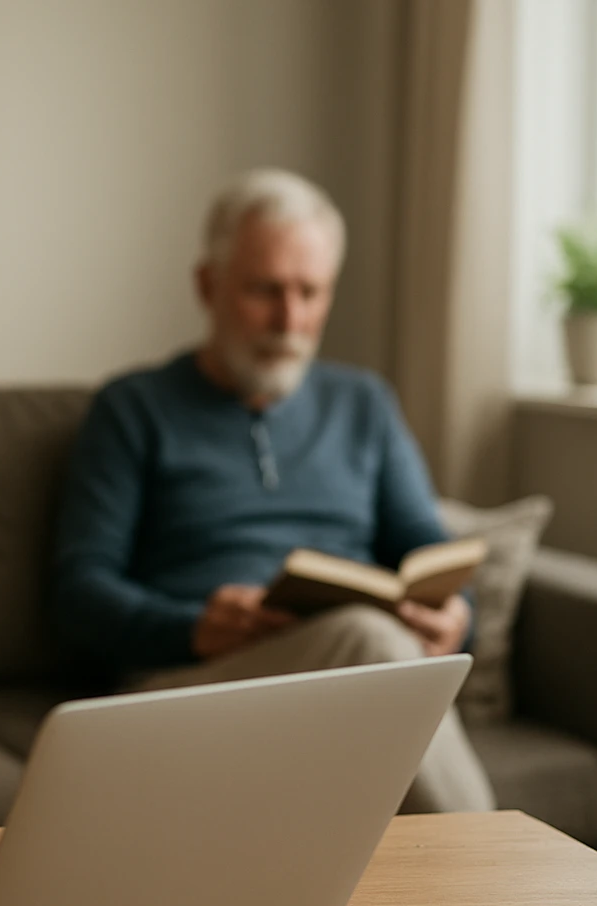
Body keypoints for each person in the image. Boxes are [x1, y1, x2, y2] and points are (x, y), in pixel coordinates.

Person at [50, 168, 494, 814]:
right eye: (267, 291)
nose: (292, 318)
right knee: (374, 645)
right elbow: (76, 592)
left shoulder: (364, 404)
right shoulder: (133, 409)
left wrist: (458, 614)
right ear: (208, 285)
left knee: (378, 647)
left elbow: (425, 548)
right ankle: (495, 885)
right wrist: (194, 627)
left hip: (345, 681)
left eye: (311, 293)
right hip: (192, 684)